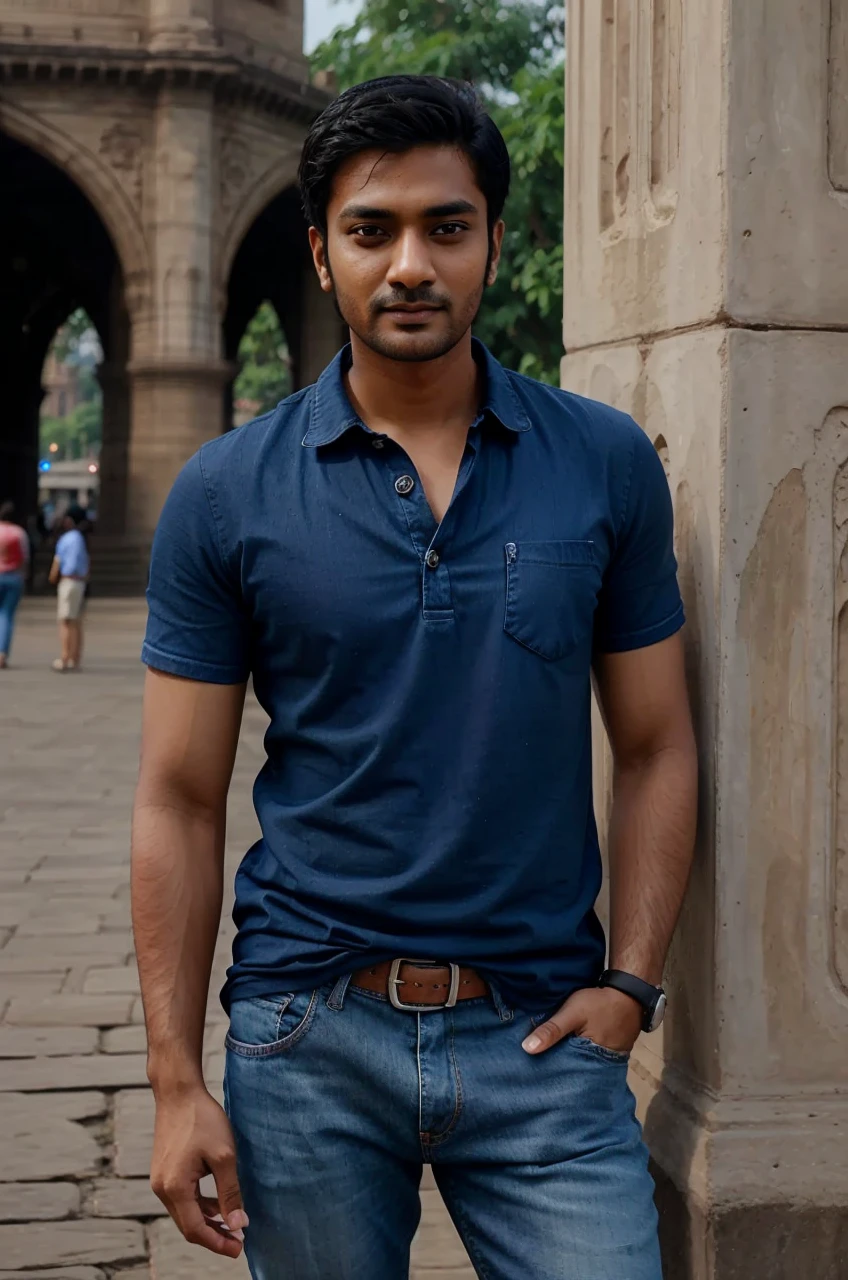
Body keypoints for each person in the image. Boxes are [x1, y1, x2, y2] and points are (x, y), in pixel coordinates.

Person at [133, 76, 698, 1280]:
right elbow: (176, 797)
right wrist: (177, 1082)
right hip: (307, 1038)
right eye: (370, 228)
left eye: (445, 226)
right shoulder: (227, 494)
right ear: (320, 252)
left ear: (495, 239)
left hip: (543, 1037)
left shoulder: (599, 462)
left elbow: (655, 742)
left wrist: (632, 986)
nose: (409, 264)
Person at [48, 503, 90, 672]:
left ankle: (65, 657)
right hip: (79, 581)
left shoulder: (69, 538)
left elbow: (60, 562)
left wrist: (52, 577)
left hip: (69, 580)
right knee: (75, 621)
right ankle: (75, 656)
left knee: (65, 620)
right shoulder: (80, 538)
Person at [0, 501, 29, 669]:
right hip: (13, 577)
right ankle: (2, 653)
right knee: (6, 616)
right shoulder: (19, 534)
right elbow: (25, 558)